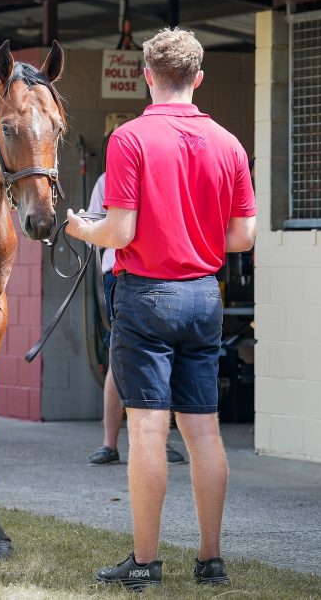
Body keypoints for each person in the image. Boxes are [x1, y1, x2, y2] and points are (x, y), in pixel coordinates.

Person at [67, 27, 257, 589]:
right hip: (204, 295)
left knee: (147, 431)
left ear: (148, 76)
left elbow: (120, 229)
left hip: (146, 293)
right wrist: (192, 236)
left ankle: (146, 563)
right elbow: (244, 237)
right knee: (204, 433)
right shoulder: (229, 143)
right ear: (197, 79)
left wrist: (83, 229)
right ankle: (210, 560)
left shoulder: (128, 138)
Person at [85, 171, 186, 467]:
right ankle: (109, 444)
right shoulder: (107, 178)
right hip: (119, 273)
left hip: (161, 271)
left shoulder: (165, 173)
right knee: (121, 355)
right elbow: (93, 223)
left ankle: (158, 442)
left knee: (160, 356)